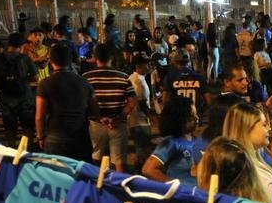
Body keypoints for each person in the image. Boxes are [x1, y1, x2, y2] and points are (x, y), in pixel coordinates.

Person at [35, 43, 97, 162]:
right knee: (79, 175)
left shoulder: (45, 83)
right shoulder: (84, 82)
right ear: (70, 61)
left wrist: (40, 136)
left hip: (55, 135)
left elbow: (40, 116)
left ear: (51, 61)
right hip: (80, 136)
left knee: (57, 175)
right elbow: (94, 111)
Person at [83, 43, 136, 172]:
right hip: (118, 124)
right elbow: (132, 101)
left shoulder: (86, 78)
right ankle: (119, 188)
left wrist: (100, 117)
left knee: (96, 158)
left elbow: (83, 102)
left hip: (95, 124)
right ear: (112, 57)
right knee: (119, 162)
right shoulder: (123, 77)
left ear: (95, 58)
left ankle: (97, 186)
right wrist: (119, 117)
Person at [221, 102, 272, 201]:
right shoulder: (247, 171)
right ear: (247, 128)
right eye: (264, 125)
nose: (269, 128)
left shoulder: (255, 161)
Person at [143, 96, 200, 186]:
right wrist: (175, 187)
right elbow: (148, 169)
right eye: (191, 116)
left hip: (199, 195)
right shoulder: (172, 143)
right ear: (179, 119)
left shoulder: (198, 141)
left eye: (196, 114)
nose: (197, 118)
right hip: (182, 197)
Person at [0, 34, 37, 145]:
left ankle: (11, 149)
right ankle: (26, 150)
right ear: (21, 45)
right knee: (27, 125)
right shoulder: (25, 59)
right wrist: (23, 80)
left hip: (5, 97)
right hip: (24, 97)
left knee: (9, 126)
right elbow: (35, 77)